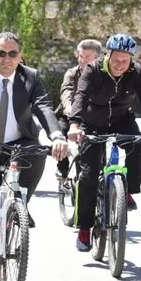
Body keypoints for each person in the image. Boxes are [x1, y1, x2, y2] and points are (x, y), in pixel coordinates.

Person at [0, 32, 68, 276]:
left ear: (20, 56)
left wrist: (57, 135)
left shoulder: (31, 77)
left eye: (12, 54)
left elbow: (43, 106)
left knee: (38, 156)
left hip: (20, 145)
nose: (6, 59)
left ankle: (20, 205)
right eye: (1, 53)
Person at [68, 33, 141, 251]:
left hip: (122, 119)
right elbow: (80, 96)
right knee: (88, 176)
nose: (120, 65)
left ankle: (127, 191)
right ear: (107, 55)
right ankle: (84, 229)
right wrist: (74, 124)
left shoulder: (136, 71)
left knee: (138, 144)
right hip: (93, 122)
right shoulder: (92, 70)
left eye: (125, 61)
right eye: (116, 59)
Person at [54, 39, 103, 180]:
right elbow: (66, 91)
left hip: (91, 117)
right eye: (80, 56)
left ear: (97, 58)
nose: (82, 60)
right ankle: (62, 167)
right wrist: (69, 108)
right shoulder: (72, 73)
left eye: (86, 57)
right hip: (69, 115)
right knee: (59, 132)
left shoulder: (102, 75)